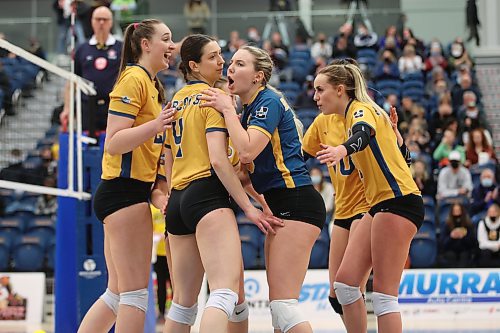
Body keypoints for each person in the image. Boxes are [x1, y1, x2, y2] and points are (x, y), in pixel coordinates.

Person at [201, 44, 326, 333]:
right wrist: (260, 204)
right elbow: (244, 176)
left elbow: (246, 153)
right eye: (230, 62)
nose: (230, 67)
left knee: (284, 306)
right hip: (283, 202)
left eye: (240, 64)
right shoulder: (250, 111)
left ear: (258, 76)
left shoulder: (266, 101)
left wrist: (225, 109)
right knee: (278, 311)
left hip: (297, 202)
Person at [162, 35, 281, 333]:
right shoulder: (213, 98)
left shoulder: (175, 99)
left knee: (183, 303)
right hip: (207, 196)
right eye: (214, 57)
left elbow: (167, 157)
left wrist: (171, 195)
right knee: (224, 292)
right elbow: (217, 160)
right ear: (194, 65)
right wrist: (249, 208)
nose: (222, 62)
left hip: (177, 200)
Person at [77, 19, 177, 333]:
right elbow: (114, 142)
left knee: (117, 293)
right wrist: (157, 124)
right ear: (145, 44)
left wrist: (159, 192)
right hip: (123, 194)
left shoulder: (150, 84)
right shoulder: (133, 78)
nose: (171, 46)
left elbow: (146, 154)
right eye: (166, 39)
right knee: (135, 295)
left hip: (128, 193)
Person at [313, 60, 424, 333]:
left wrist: (342, 150)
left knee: (385, 296)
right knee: (345, 286)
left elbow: (363, 135)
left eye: (320, 90)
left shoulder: (361, 110)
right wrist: (396, 137)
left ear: (340, 90)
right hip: (380, 205)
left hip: (398, 202)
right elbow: (404, 160)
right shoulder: (358, 113)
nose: (315, 97)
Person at [60, 6, 123, 136]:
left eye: (105, 19)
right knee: (88, 147)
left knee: (115, 145)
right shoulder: (82, 49)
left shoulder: (121, 48)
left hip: (114, 107)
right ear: (92, 21)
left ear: (111, 22)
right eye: (98, 19)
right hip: (87, 108)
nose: (101, 23)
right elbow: (72, 81)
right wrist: (67, 108)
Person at [438, 203, 478, 268]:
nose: (457, 213)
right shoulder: (447, 225)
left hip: (465, 249)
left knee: (465, 255)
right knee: (450, 255)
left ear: (462, 211)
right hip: (450, 250)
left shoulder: (468, 224)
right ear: (451, 212)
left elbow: (473, 243)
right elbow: (443, 244)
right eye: (455, 211)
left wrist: (463, 236)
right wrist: (451, 237)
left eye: (458, 210)